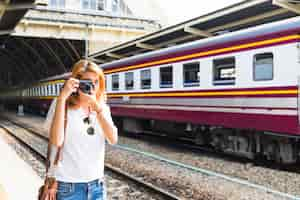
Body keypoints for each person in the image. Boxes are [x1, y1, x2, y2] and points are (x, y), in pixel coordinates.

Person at [44, 59, 118, 200]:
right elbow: (56, 141)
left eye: (96, 82)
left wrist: (97, 108)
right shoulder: (62, 105)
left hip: (97, 186)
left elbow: (113, 139)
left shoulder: (102, 107)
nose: (93, 87)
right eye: (87, 82)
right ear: (77, 83)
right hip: (68, 187)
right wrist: (61, 99)